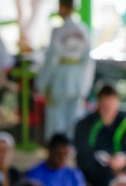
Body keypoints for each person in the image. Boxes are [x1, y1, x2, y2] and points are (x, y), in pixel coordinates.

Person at [36, 0, 94, 139]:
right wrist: (86, 84)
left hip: (60, 79)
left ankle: (57, 152)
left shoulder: (58, 31)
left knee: (57, 120)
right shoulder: (83, 29)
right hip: (78, 79)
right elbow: (89, 60)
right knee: (74, 118)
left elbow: (51, 59)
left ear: (61, 8)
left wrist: (42, 84)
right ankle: (71, 149)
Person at [24, 134, 91, 186]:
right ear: (50, 150)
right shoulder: (34, 175)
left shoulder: (74, 175)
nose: (62, 158)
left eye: (66, 154)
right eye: (59, 154)